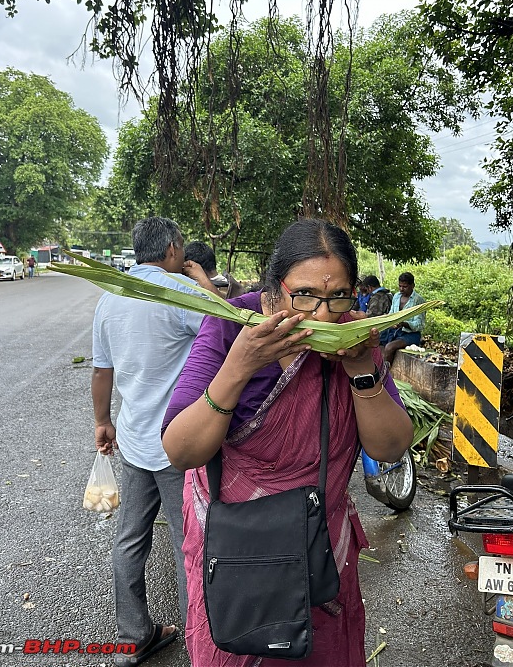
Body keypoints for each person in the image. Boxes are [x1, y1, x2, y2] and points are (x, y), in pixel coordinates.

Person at [162, 218, 413, 667]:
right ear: (273, 290)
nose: (322, 314)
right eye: (305, 296)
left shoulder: (354, 336)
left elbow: (391, 447)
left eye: (337, 296)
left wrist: (360, 370)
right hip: (240, 557)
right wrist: (239, 366)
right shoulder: (229, 329)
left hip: (318, 552)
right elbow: (181, 450)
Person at [91, 217, 205, 666]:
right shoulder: (179, 293)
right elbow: (232, 334)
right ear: (175, 248)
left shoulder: (109, 297)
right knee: (187, 543)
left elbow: (102, 371)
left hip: (135, 441)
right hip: (178, 444)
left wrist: (102, 421)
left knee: (129, 539)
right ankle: (199, 641)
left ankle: (132, 638)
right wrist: (203, 282)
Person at [383, 271, 427, 365]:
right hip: (394, 332)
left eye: (405, 287)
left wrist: (404, 323)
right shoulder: (396, 296)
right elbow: (392, 314)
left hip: (410, 335)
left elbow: (419, 325)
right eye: (400, 286)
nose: (401, 289)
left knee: (389, 347)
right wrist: (388, 321)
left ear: (412, 286)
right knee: (375, 341)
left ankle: (384, 374)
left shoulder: (418, 300)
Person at [361, 275, 394, 345]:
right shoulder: (389, 294)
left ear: (369, 287)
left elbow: (371, 316)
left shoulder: (377, 297)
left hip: (383, 331)